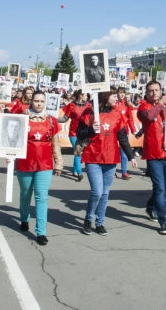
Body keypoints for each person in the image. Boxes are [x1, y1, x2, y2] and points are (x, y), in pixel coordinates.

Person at [77, 90, 137, 236]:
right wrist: (91, 130)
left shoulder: (117, 114)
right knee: (96, 192)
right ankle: (88, 219)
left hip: (110, 158)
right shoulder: (89, 113)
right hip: (93, 158)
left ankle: (100, 223)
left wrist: (131, 156)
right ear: (104, 97)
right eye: (113, 96)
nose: (116, 98)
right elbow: (79, 133)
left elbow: (122, 138)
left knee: (105, 193)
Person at [10, 90, 63, 246]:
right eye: (36, 101)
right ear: (31, 101)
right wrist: (9, 154)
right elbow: (12, 139)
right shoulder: (22, 119)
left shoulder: (52, 121)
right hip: (25, 163)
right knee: (26, 194)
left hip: (45, 164)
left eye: (42, 101)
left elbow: (56, 144)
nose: (39, 104)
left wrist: (58, 162)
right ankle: (24, 218)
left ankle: (41, 232)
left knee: (41, 197)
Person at [138, 80, 166, 235]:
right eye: (151, 91)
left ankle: (150, 206)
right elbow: (148, 117)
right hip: (153, 154)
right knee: (160, 187)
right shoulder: (143, 107)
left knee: (164, 186)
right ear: (147, 93)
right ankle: (163, 220)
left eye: (157, 90)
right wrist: (161, 103)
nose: (154, 93)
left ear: (161, 90)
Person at [58, 90, 89, 181]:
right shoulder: (71, 105)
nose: (87, 96)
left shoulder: (88, 106)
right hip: (73, 132)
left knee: (79, 151)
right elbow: (64, 119)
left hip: (84, 132)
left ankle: (75, 170)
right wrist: (53, 118)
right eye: (85, 95)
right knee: (78, 151)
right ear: (80, 95)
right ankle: (79, 172)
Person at [113, 87, 136, 180]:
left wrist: (133, 130)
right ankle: (113, 171)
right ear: (117, 93)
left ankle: (124, 172)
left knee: (124, 152)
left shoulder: (127, 105)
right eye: (120, 93)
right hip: (114, 131)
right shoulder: (113, 104)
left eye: (123, 93)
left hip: (124, 131)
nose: (122, 95)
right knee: (114, 151)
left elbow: (130, 118)